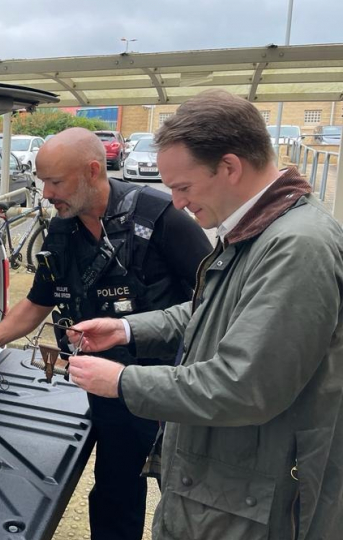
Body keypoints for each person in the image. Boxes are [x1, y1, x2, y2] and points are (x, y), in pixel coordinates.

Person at [67, 89, 343, 539]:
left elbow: (244, 386)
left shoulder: (296, 246)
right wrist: (124, 330)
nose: (176, 203)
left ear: (230, 167)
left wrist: (120, 382)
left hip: (258, 509)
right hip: (230, 493)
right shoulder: (259, 230)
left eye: (183, 187)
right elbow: (207, 312)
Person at [0, 127, 211, 540]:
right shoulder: (61, 230)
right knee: (115, 490)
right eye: (42, 181)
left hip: (172, 385)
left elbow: (214, 301)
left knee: (186, 493)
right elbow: (37, 302)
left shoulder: (161, 218)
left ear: (93, 171)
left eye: (55, 182)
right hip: (109, 387)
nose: (45, 192)